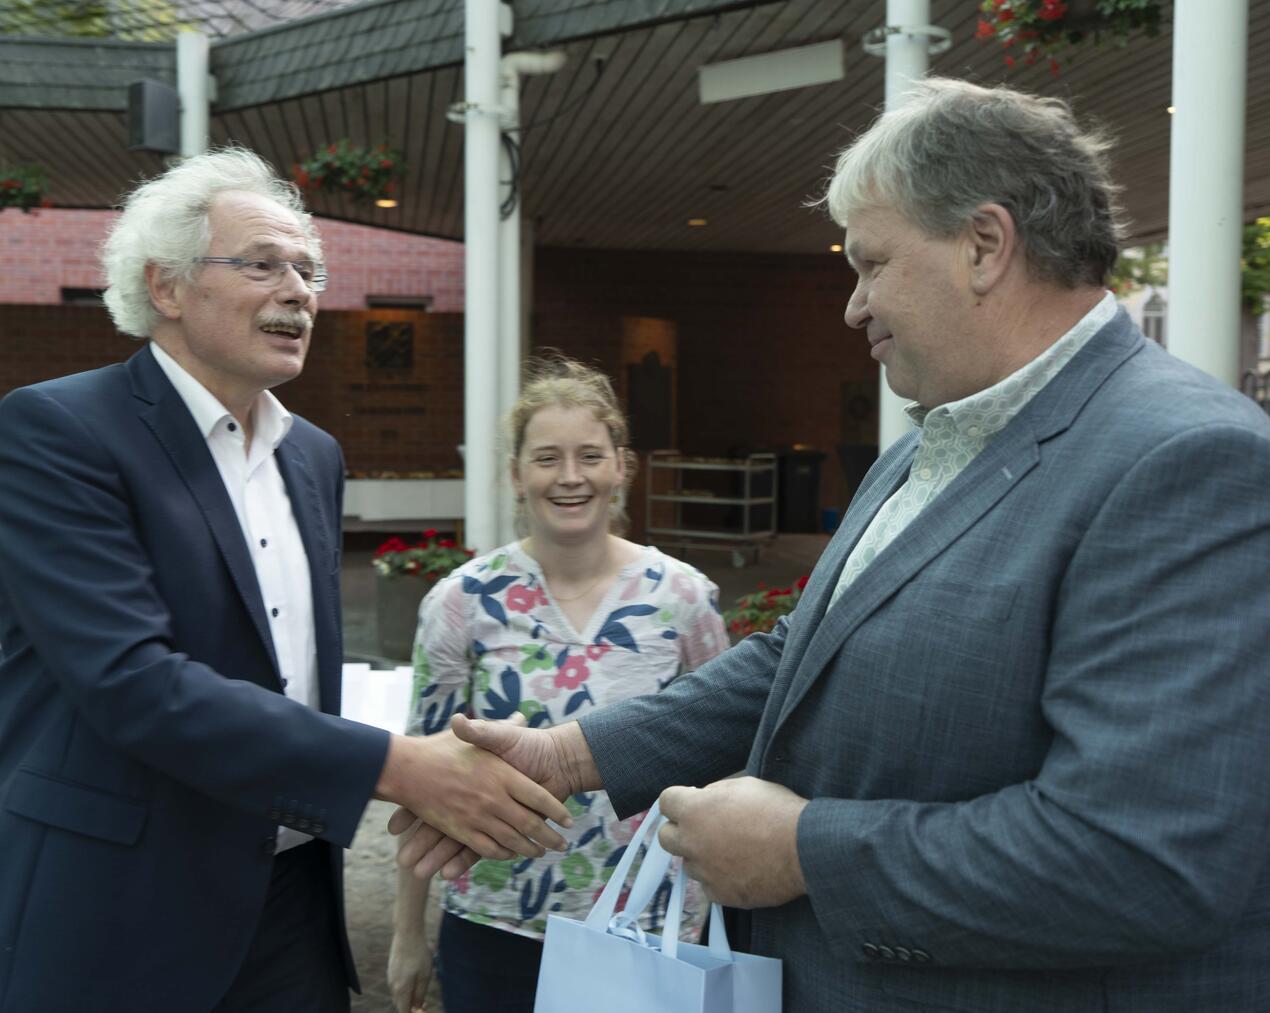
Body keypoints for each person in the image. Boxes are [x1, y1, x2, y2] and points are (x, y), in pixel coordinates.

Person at [396, 79, 1270, 1012]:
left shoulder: (1187, 460)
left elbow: (1140, 858)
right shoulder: (927, 447)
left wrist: (801, 849)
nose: (853, 307)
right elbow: (801, 658)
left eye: (871, 263)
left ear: (984, 245)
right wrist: (570, 754)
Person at [0, 146, 571, 1013]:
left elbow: (287, 674)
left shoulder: (314, 454)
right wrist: (400, 767)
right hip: (113, 907)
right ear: (167, 288)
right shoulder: (61, 429)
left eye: (309, 269)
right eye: (264, 264)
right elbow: (130, 681)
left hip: (289, 906)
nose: (300, 291)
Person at [388, 358, 729, 1013]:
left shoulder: (685, 599)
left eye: (590, 456)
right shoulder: (461, 602)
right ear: (516, 474)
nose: (570, 477)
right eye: (547, 458)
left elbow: (724, 756)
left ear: (621, 466)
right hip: (496, 926)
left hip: (648, 921)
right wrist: (408, 932)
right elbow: (417, 776)